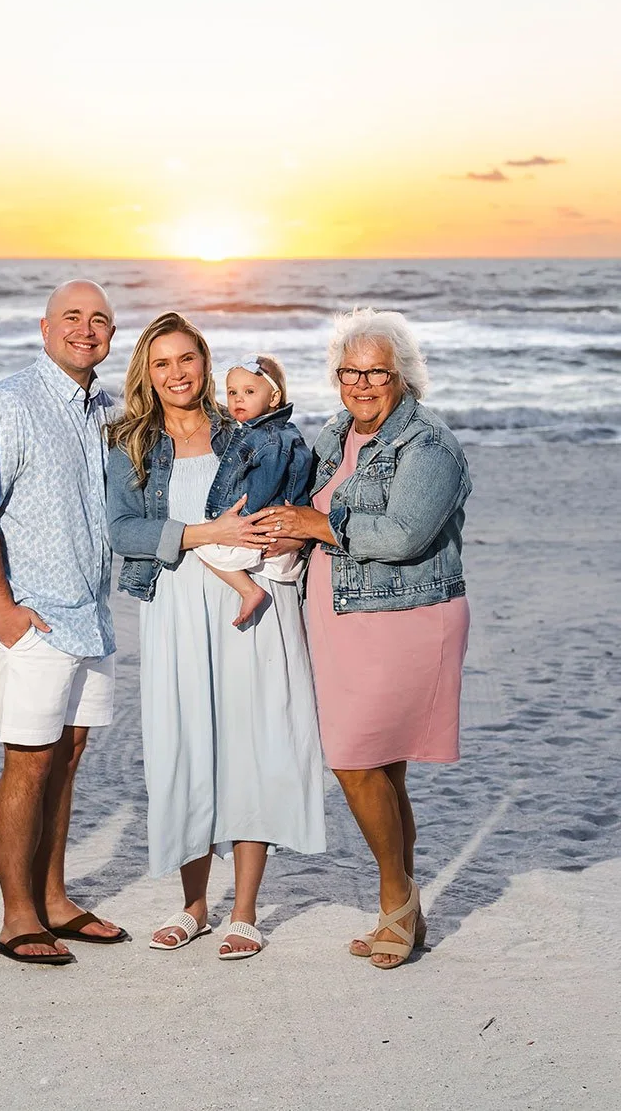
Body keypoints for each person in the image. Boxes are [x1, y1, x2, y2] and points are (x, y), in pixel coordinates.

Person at [106, 313, 326, 959]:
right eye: (162, 363)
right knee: (187, 746)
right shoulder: (131, 442)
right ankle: (194, 906)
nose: (177, 374)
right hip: (174, 605)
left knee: (250, 744)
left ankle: (246, 911)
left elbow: (294, 490)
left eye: (187, 360)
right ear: (147, 372)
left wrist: (284, 537)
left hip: (249, 607)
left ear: (205, 363)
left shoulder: (243, 430)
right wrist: (204, 535)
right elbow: (123, 532)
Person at [262, 307, 472, 969]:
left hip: (402, 619)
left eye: (375, 371)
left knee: (353, 760)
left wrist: (320, 527)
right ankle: (402, 910)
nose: (360, 383)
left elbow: (406, 534)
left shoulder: (430, 445)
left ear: (402, 375)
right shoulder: (335, 434)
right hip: (340, 619)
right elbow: (300, 494)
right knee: (378, 765)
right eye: (349, 371)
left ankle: (398, 901)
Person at [0, 280, 128, 965]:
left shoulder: (106, 410)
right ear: (46, 327)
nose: (87, 330)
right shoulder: (8, 403)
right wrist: (1, 609)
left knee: (68, 757)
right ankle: (17, 917)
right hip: (31, 620)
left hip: (91, 618)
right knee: (26, 764)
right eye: (73, 318)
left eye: (101, 321)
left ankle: (54, 900)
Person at [193, 354, 311, 625]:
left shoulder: (267, 440)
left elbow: (262, 488)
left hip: (262, 528)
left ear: (273, 398)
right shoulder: (283, 432)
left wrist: (237, 519)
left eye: (249, 391)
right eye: (232, 392)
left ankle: (249, 590)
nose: (238, 399)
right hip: (281, 531)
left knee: (203, 538)